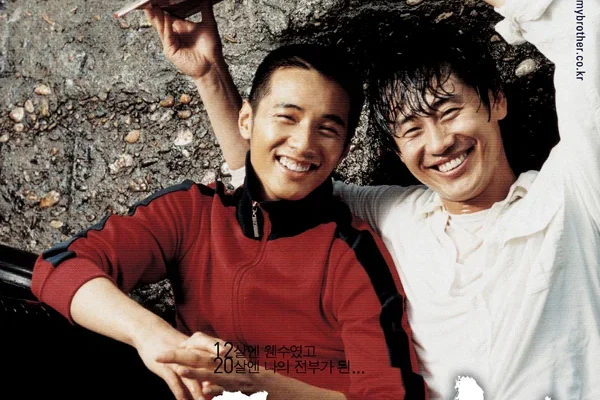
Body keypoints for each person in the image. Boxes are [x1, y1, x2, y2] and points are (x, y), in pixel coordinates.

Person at [199, 0, 600, 398]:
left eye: (449, 112)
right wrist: (207, 72)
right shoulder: (395, 218)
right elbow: (277, 179)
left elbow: (583, 21)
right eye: (411, 130)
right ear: (397, 151)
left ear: (496, 99)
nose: (439, 143)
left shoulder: (575, 188)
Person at [30, 3, 427, 399]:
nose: (303, 143)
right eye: (286, 117)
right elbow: (60, 267)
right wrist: (151, 335)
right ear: (246, 121)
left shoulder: (352, 257)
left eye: (326, 129)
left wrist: (254, 381)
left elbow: (393, 396)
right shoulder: (190, 214)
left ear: (343, 150)